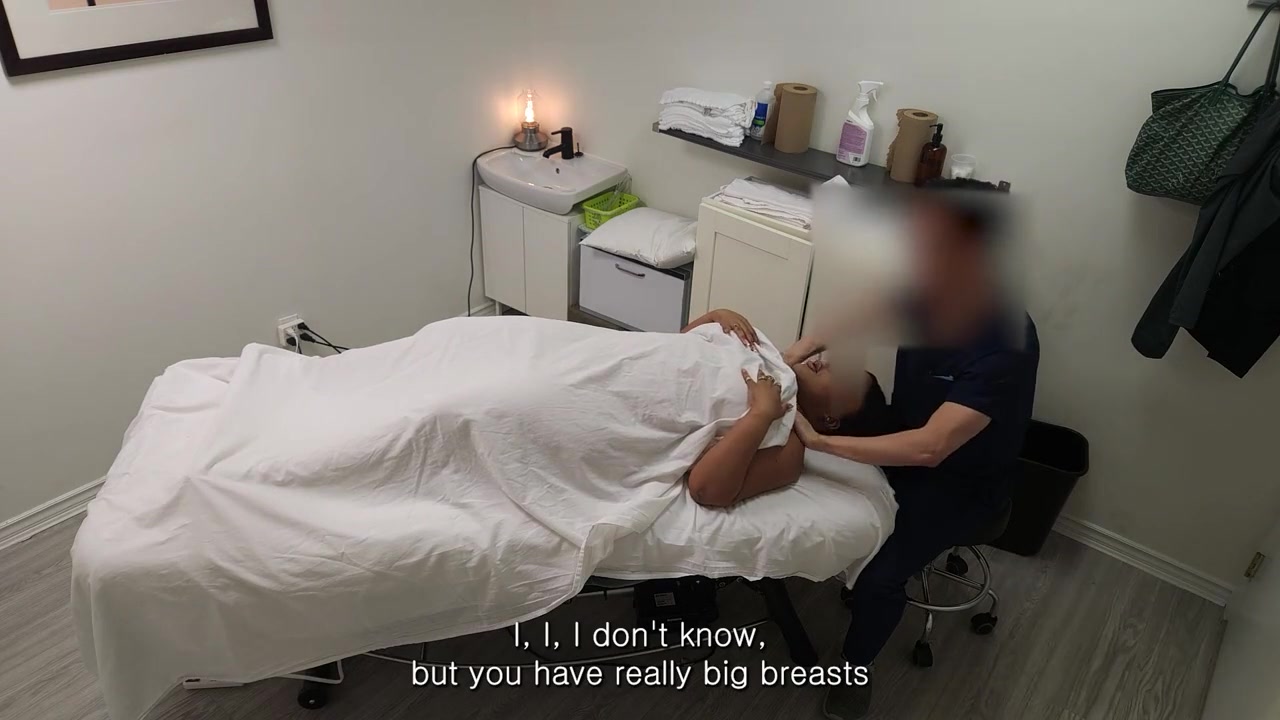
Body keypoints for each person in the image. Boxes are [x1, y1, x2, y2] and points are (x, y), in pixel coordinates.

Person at [786, 179, 1040, 719]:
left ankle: (854, 670)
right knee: (837, 390)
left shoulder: (1004, 343)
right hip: (909, 431)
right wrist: (794, 354)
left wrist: (822, 441)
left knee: (879, 576)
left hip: (960, 482)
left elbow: (931, 448)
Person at [680, 309, 806, 508]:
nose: (824, 363)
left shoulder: (791, 446)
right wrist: (713, 317)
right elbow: (678, 343)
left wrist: (761, 414)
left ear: (831, 420)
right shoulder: (769, 358)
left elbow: (706, 490)